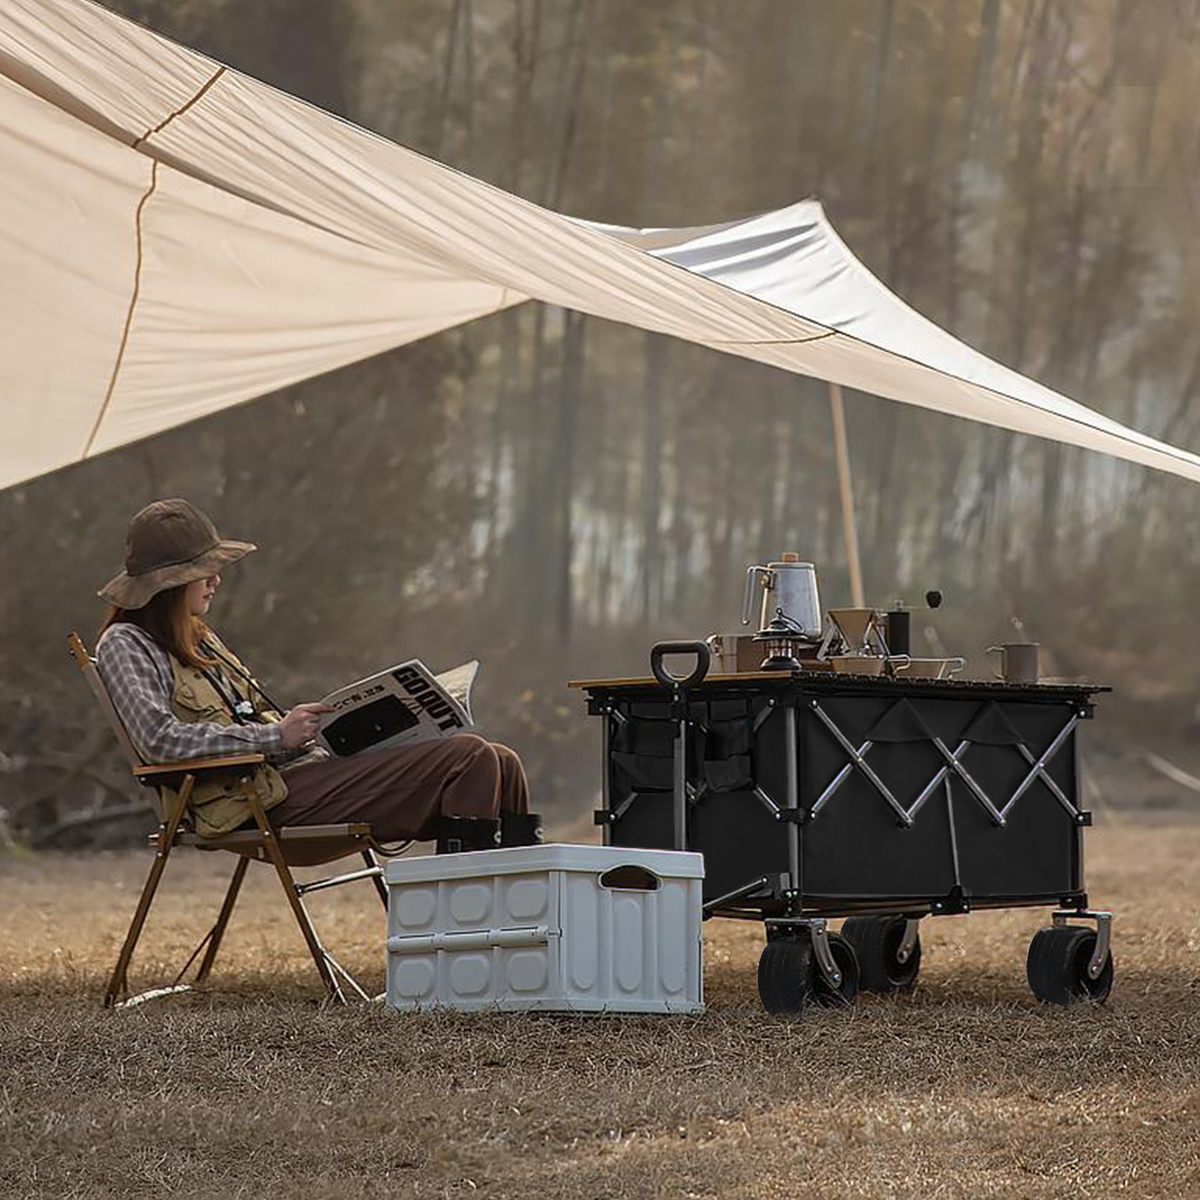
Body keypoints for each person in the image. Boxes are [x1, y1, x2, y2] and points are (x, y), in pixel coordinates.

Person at [95, 498, 536, 851]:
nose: (216, 581)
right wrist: (275, 738)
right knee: (469, 758)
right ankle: (464, 933)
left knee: (502, 762)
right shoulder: (125, 644)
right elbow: (159, 740)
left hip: (289, 777)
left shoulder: (200, 638)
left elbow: (253, 717)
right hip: (250, 801)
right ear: (171, 582)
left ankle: (519, 920)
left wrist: (311, 730)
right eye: (205, 572)